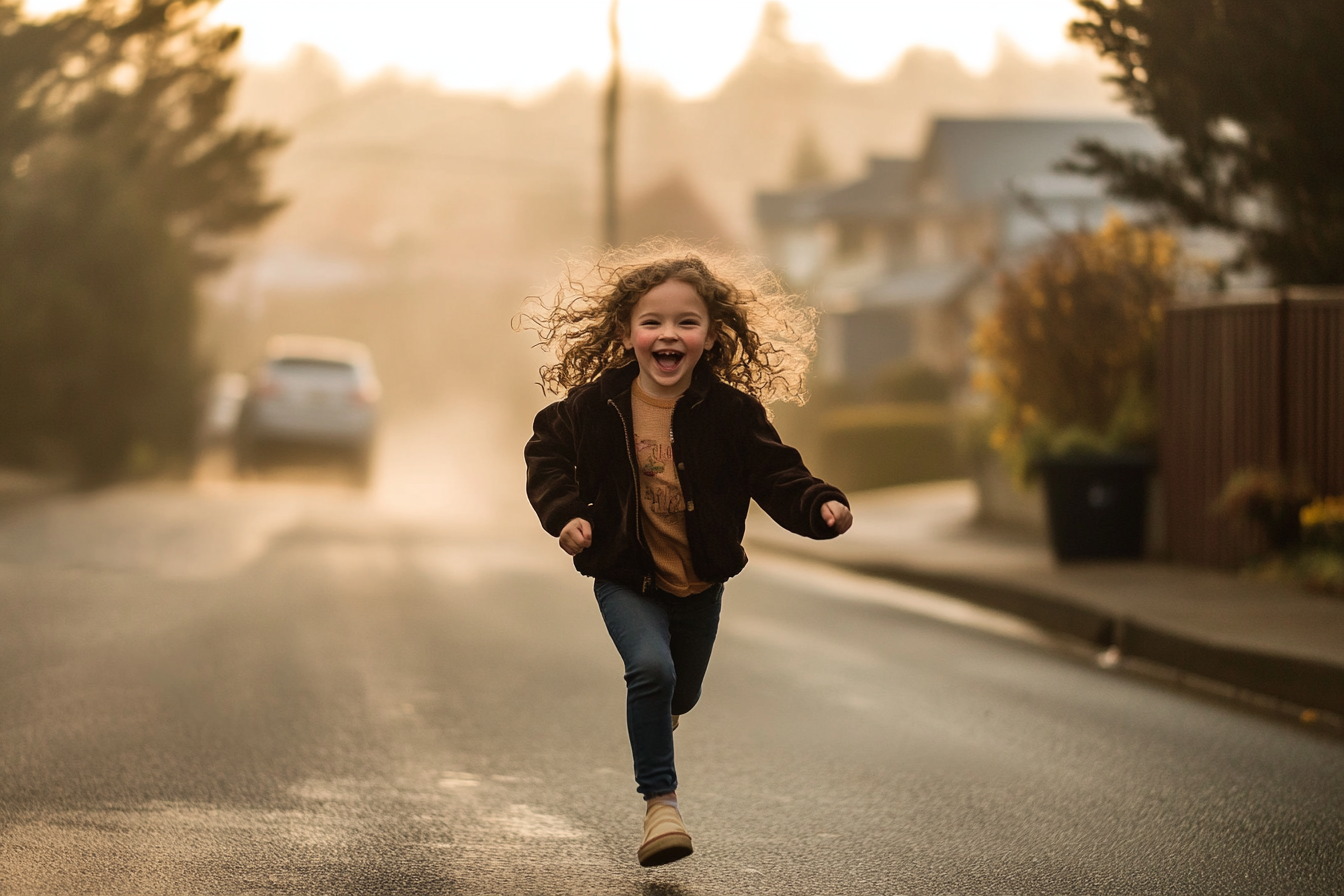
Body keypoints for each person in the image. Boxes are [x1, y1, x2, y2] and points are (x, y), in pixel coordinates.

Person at [522, 247, 852, 867]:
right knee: (652, 671)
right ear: (626, 333)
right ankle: (661, 808)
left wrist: (819, 506)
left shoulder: (729, 414)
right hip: (625, 574)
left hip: (700, 580)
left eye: (686, 322)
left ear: (711, 335)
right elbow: (546, 455)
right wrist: (566, 515)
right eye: (652, 322)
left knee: (682, 692)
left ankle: (662, 715)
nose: (667, 334)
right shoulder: (596, 407)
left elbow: (777, 474)